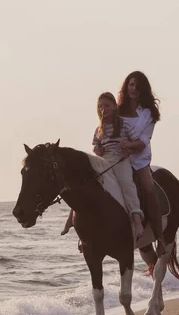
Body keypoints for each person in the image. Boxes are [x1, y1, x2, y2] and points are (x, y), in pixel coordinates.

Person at [61, 92, 145, 239]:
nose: (103, 109)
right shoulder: (99, 129)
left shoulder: (124, 125)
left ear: (114, 106)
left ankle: (137, 220)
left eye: (106, 106)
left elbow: (138, 143)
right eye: (100, 107)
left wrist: (128, 147)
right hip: (104, 160)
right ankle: (72, 218)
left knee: (126, 183)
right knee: (84, 182)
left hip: (120, 159)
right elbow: (96, 146)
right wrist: (97, 150)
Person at [117, 71, 167, 256]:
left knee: (149, 188)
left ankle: (160, 238)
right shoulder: (116, 110)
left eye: (137, 86)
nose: (134, 89)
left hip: (139, 160)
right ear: (126, 86)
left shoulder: (148, 114)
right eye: (131, 84)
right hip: (115, 159)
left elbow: (144, 141)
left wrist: (129, 146)